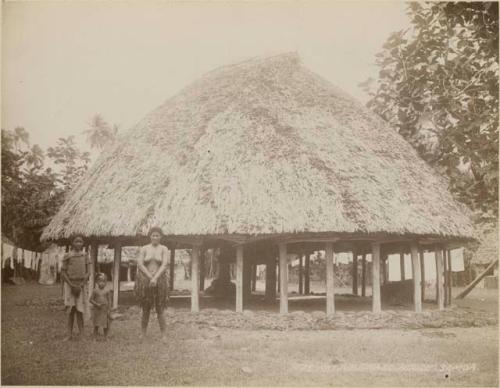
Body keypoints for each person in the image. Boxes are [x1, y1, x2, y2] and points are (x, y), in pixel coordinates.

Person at [135, 227, 169, 338]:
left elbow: (164, 264)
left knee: (160, 308)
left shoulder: (164, 249)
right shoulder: (144, 248)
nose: (155, 237)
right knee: (146, 308)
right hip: (146, 281)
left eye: (157, 235)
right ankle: (142, 333)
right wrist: (150, 278)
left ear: (161, 237)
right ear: (150, 236)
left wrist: (156, 278)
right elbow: (140, 264)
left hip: (160, 281)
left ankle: (164, 334)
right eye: (153, 235)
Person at [61, 235, 90, 340]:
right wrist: (72, 285)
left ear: (83, 243)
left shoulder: (85, 256)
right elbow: (63, 272)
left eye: (81, 242)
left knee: (80, 310)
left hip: (81, 285)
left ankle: (82, 335)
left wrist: (81, 285)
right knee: (71, 310)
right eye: (76, 241)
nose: (79, 244)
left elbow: (88, 272)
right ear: (72, 243)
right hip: (70, 285)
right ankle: (69, 335)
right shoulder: (67, 256)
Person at [89, 273, 111, 340]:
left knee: (105, 325)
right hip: (97, 310)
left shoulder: (107, 291)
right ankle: (95, 337)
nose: (102, 283)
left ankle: (106, 337)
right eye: (100, 281)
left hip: (104, 310)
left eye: (104, 281)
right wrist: (96, 304)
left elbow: (109, 300)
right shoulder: (95, 291)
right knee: (96, 324)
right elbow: (90, 300)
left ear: (106, 282)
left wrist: (109, 309)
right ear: (97, 282)